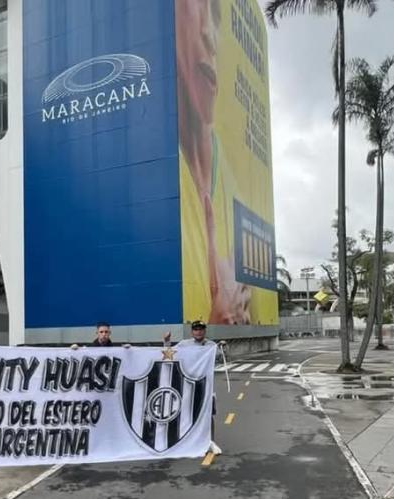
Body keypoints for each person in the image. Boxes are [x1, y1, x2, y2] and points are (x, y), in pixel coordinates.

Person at [176, 0, 257, 325]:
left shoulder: (231, 182)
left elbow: (249, 311)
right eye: (199, 7)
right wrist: (216, 317)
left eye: (216, 15)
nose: (210, 34)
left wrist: (239, 313)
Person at [162, 320, 225, 455]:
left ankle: (210, 441)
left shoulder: (211, 345)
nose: (199, 332)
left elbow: (220, 359)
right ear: (192, 332)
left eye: (201, 329)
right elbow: (169, 354)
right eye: (196, 329)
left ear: (205, 331)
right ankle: (185, 442)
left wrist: (222, 348)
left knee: (208, 414)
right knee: (186, 413)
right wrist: (167, 341)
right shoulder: (184, 344)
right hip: (188, 385)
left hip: (206, 386)